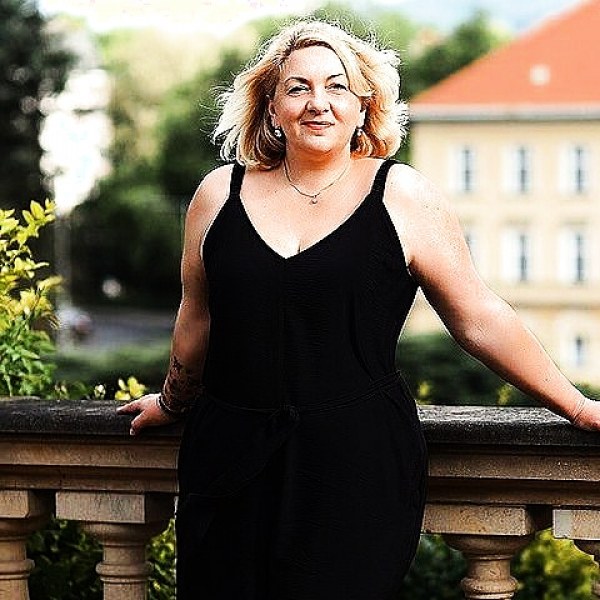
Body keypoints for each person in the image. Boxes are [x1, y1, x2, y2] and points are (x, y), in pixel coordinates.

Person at [117, 19, 600, 599]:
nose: (317, 102)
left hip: (355, 463)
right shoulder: (218, 193)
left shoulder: (403, 195)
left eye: (336, 86)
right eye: (297, 88)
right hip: (227, 459)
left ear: (364, 105)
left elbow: (478, 318)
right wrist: (173, 402)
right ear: (271, 106)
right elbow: (197, 317)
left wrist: (578, 407)